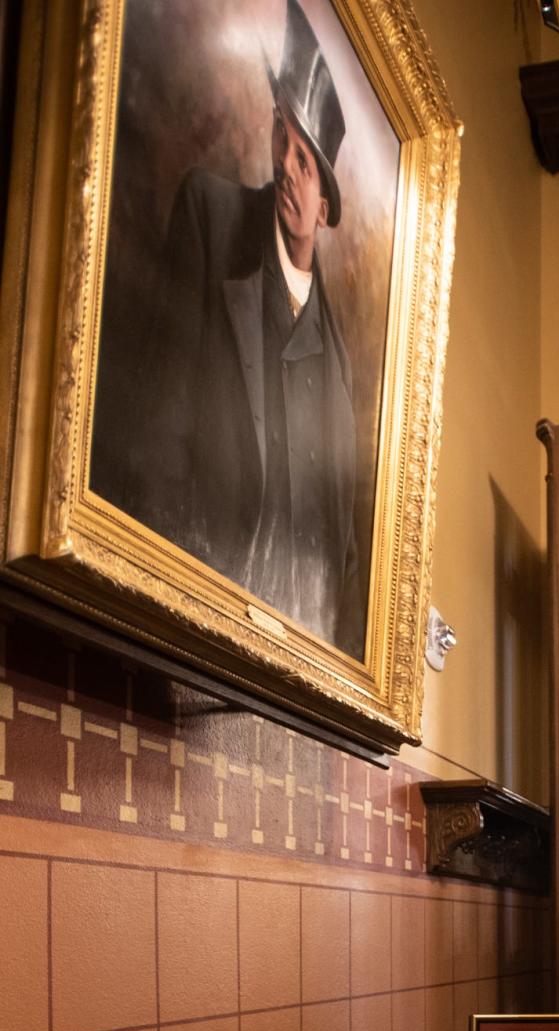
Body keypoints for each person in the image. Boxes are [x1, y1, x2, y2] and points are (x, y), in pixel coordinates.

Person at [122, 0, 364, 657]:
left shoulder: (338, 354)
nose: (286, 163)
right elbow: (161, 425)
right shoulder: (211, 215)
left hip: (297, 647)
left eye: (305, 160)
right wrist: (169, 593)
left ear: (326, 207)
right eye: (281, 136)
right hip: (198, 611)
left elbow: (340, 539)